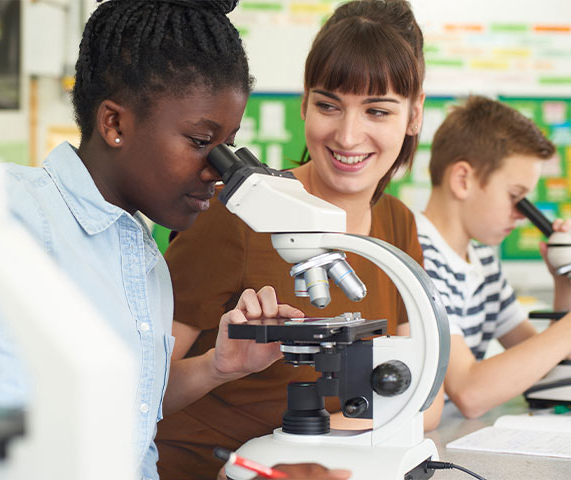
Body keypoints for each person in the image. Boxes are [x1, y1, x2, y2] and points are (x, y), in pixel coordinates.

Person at [0, 1, 306, 479]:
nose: (217, 170)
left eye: (226, 144)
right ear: (115, 124)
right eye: (199, 141)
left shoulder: (142, 255)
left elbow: (129, 415)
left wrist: (219, 365)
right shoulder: (3, 214)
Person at [155, 1, 443, 478]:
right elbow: (136, 392)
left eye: (377, 110)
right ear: (304, 103)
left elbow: (423, 398)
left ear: (414, 116)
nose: (349, 136)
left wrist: (310, 442)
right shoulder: (237, 214)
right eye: (329, 105)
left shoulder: (398, 223)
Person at [415, 95, 571, 419]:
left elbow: (545, 371)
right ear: (463, 180)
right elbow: (470, 391)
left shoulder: (482, 263)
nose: (523, 215)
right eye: (516, 197)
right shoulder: (417, 254)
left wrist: (563, 278)